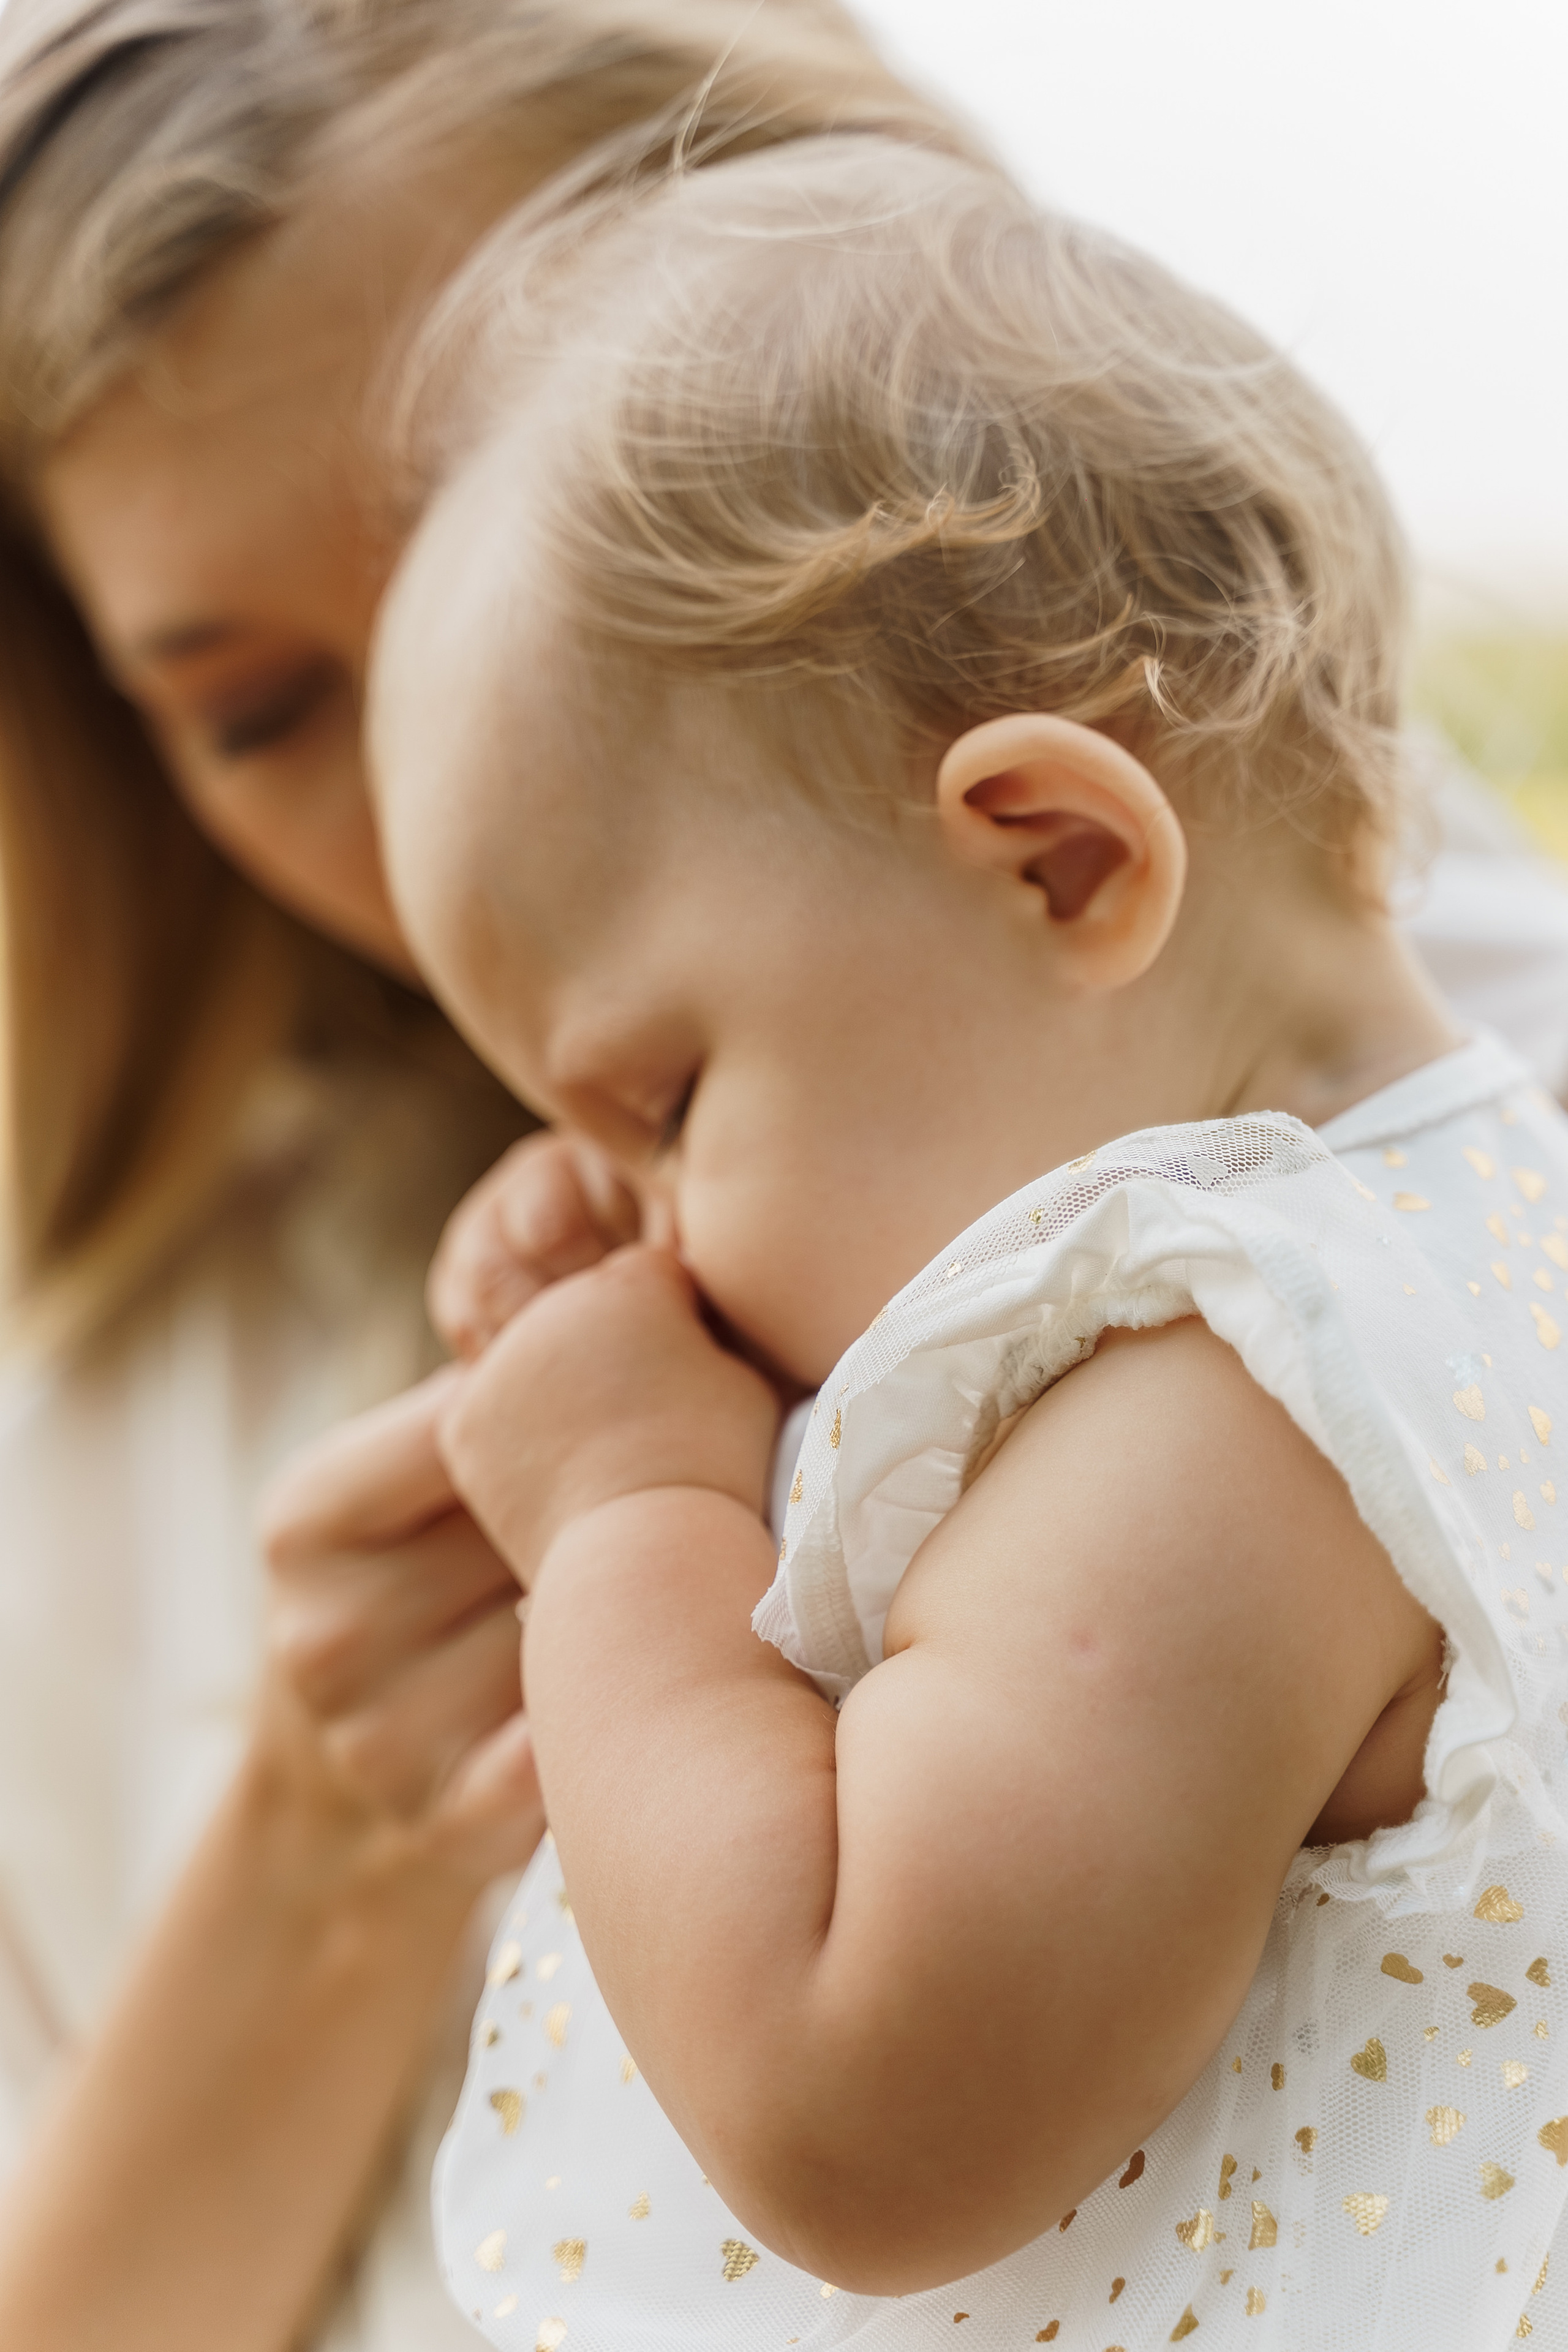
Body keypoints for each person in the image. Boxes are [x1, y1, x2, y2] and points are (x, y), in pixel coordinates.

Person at [357, 137, 1568, 2345]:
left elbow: (849, 2102)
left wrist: (627, 1507)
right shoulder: (1480, 1219)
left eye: (661, 1099)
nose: (647, 1236)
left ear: (1054, 867)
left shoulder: (1227, 1400)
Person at [0, 9, 968, 2350]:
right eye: (253, 708)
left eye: (514, 552)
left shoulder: (1455, 1172)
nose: (435, 810)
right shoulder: (140, 1360)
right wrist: (324, 1842)